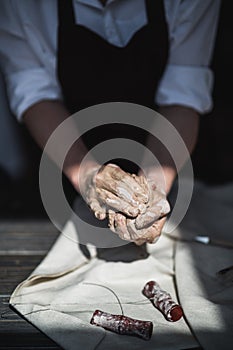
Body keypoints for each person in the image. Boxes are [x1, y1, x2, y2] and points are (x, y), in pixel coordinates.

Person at [0, 0, 220, 245]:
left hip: (171, 155)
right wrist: (87, 176)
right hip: (62, 164)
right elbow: (35, 96)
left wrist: (153, 190)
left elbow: (183, 96)